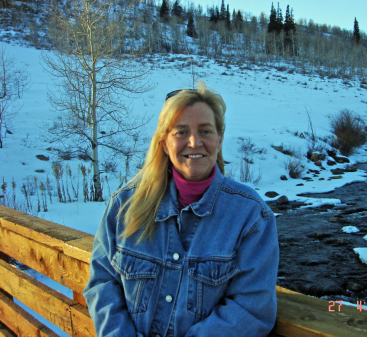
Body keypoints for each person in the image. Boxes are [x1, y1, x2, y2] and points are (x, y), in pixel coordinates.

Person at [83, 81, 279, 337]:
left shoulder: (251, 216)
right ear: (164, 142)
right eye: (181, 132)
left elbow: (252, 308)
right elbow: (102, 283)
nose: (194, 142)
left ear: (219, 140)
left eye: (205, 131)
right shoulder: (124, 205)